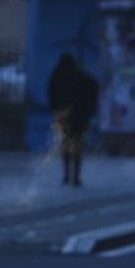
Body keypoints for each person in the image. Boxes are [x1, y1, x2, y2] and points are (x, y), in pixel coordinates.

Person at [48, 54, 98, 185]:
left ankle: (66, 174)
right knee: (78, 144)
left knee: (65, 143)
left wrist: (56, 109)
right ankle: (76, 175)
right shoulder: (82, 76)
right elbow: (93, 88)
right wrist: (88, 110)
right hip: (79, 116)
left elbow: (52, 94)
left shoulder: (57, 76)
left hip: (63, 115)